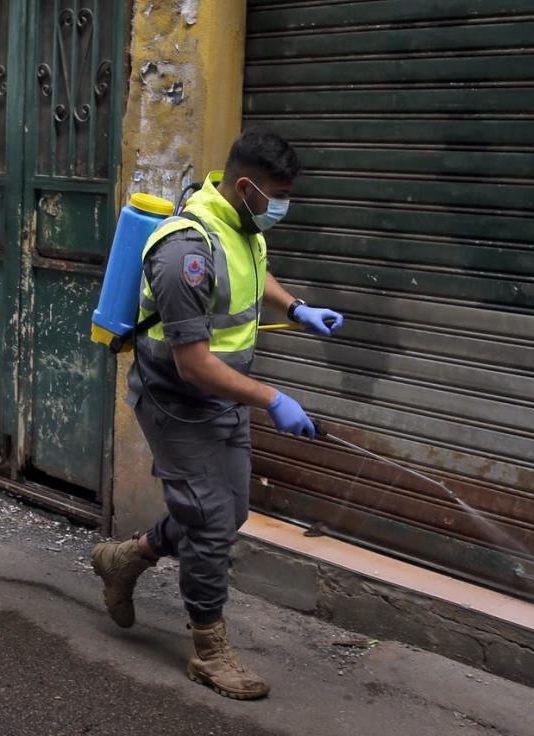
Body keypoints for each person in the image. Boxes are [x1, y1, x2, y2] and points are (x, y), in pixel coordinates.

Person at [90, 128, 344, 700]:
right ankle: (209, 648)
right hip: (178, 403)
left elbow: (255, 275)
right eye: (278, 195)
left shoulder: (242, 225)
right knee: (208, 524)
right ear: (248, 185)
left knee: (226, 514)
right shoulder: (186, 252)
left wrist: (298, 308)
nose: (283, 207)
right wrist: (273, 399)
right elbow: (193, 366)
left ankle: (127, 558)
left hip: (225, 398)